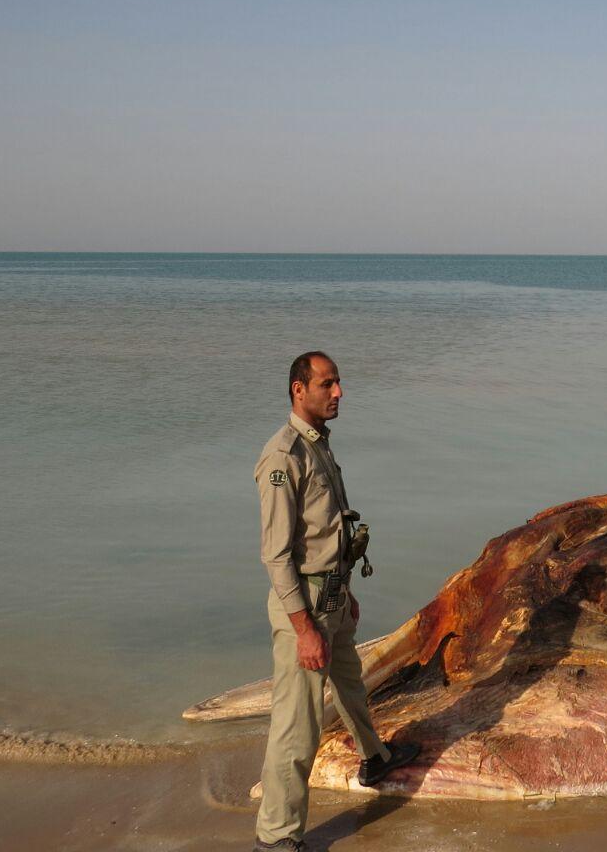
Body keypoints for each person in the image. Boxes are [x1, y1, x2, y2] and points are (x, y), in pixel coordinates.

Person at [252, 351, 418, 852]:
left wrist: (345, 593)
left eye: (339, 383)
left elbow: (326, 531)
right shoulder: (283, 457)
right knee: (296, 729)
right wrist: (304, 628)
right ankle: (276, 836)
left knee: (351, 683)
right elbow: (277, 555)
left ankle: (376, 758)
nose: (339, 392)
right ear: (298, 390)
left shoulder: (318, 445)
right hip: (303, 608)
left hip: (333, 598)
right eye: (327, 384)